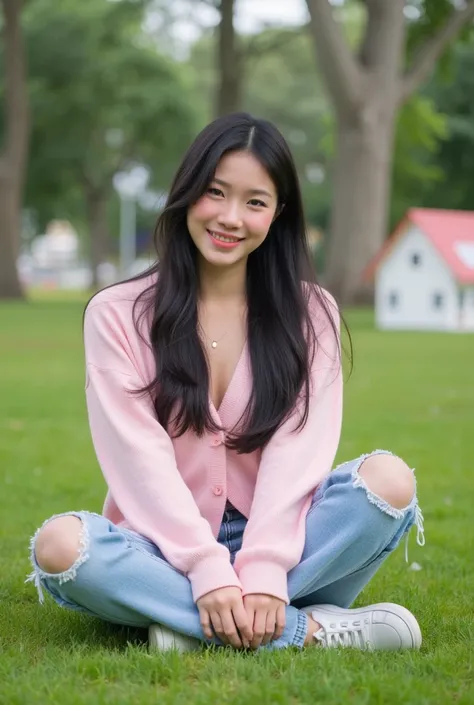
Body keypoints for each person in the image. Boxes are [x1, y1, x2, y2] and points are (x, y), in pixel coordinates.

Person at [27, 112, 425, 653]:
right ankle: (310, 631)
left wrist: (262, 566)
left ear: (277, 214)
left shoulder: (312, 313)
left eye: (255, 202)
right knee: (60, 546)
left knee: (390, 482)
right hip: (161, 545)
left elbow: (299, 451)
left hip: (287, 540)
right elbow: (137, 460)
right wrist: (204, 567)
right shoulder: (116, 314)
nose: (230, 217)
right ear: (187, 192)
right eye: (215, 192)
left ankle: (182, 622)